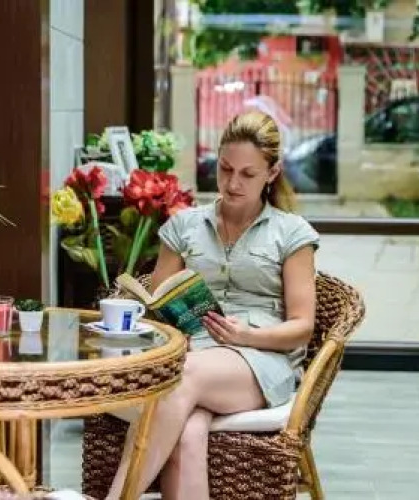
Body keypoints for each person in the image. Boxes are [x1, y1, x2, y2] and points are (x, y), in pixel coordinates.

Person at [105, 110, 319, 500]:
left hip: (259, 359)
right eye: (225, 169)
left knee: (179, 378)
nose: (233, 183)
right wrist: (169, 324)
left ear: (272, 173)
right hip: (193, 351)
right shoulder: (184, 225)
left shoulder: (291, 232)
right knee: (188, 431)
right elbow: (157, 301)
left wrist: (249, 336)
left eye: (248, 174)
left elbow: (303, 326)